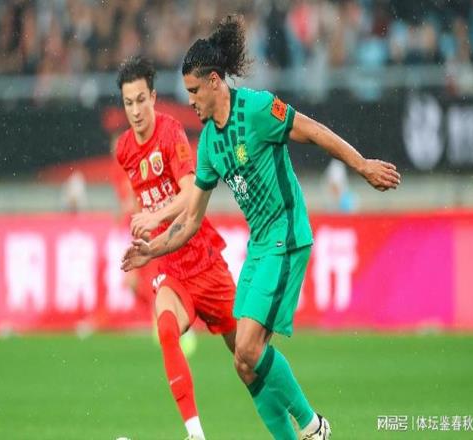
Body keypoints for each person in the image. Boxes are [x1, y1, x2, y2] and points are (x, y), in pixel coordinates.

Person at [122, 15, 401, 440]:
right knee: (243, 363)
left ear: (214, 82)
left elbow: (312, 130)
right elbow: (191, 219)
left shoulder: (256, 109)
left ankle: (313, 427)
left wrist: (361, 165)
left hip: (286, 235)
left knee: (250, 347)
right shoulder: (210, 143)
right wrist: (152, 249)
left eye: (194, 91)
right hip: (259, 245)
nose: (190, 100)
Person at [115, 55, 237, 440]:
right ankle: (195, 434)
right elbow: (144, 201)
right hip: (171, 264)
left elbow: (189, 194)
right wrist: (146, 240)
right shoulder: (124, 149)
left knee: (249, 358)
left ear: (153, 97)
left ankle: (307, 422)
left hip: (202, 257)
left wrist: (154, 217)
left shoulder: (170, 133)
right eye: (128, 103)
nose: (136, 110)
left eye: (141, 100)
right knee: (166, 328)